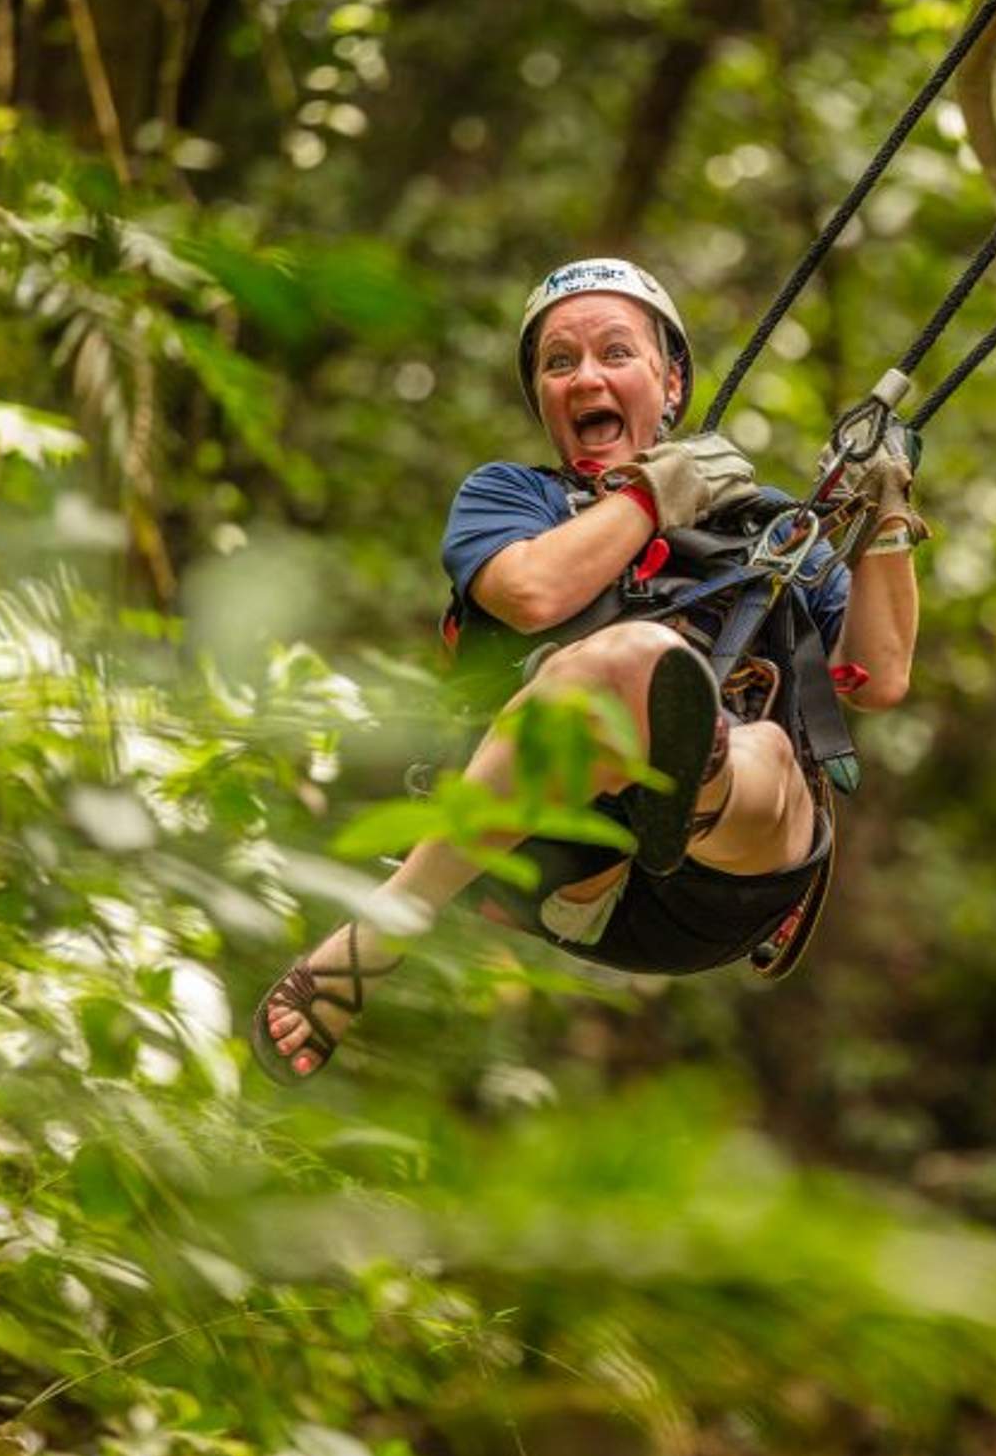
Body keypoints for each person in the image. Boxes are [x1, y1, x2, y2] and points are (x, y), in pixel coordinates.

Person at [253, 256, 923, 1083]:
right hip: (539, 844)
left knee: (769, 754)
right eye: (559, 363)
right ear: (541, 400)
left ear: (670, 383)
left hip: (724, 871)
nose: (585, 377)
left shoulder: (767, 527)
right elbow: (534, 592)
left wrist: (887, 509)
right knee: (635, 659)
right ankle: (389, 924)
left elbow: (879, 675)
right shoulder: (510, 500)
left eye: (615, 353)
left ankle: (692, 776)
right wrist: (651, 497)